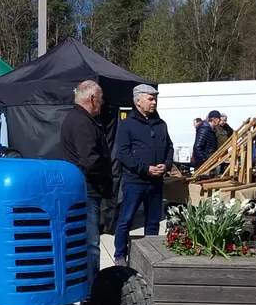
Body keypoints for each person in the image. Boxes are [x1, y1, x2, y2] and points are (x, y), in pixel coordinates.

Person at [114, 84, 173, 264]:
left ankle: (150, 255)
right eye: (150, 98)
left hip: (156, 182)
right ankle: (120, 255)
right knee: (126, 219)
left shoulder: (161, 124)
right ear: (138, 101)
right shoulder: (127, 124)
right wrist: (144, 168)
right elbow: (123, 153)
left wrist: (167, 165)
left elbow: (169, 147)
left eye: (155, 98)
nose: (154, 102)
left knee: (153, 221)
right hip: (135, 181)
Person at [61, 80, 111, 284]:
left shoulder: (80, 119)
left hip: (85, 190)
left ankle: (87, 289)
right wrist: (105, 175)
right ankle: (91, 293)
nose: (102, 103)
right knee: (90, 245)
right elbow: (89, 160)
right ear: (91, 98)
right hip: (87, 191)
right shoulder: (81, 122)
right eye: (101, 99)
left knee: (85, 243)